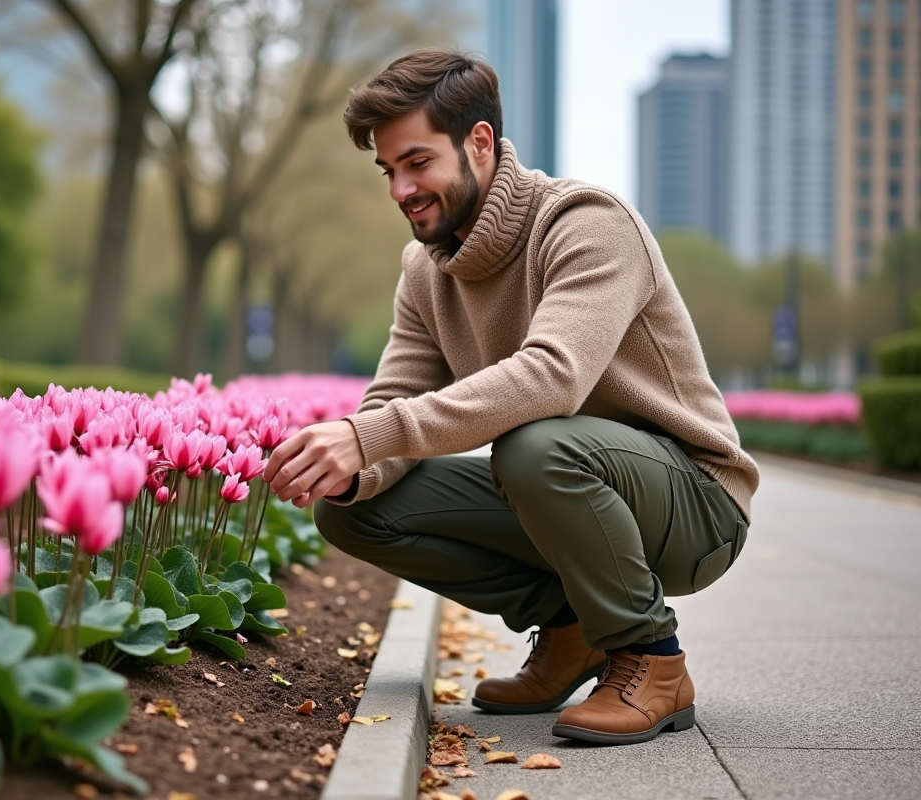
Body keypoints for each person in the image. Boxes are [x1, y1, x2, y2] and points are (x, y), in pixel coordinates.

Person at [261, 48, 758, 746]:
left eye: (417, 162)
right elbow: (393, 401)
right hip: (567, 482)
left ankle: (652, 660)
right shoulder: (425, 268)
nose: (400, 189)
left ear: (480, 142)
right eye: (389, 171)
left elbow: (555, 376)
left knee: (535, 444)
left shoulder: (586, 223)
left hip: (696, 504)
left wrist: (376, 434)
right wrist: (348, 460)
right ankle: (572, 630)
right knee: (352, 509)